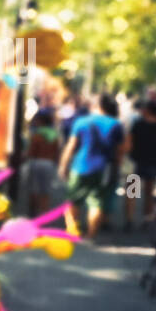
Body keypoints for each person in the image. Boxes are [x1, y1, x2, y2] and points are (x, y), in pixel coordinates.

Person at [59, 93, 125, 238]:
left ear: (96, 106)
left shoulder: (82, 122)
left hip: (80, 166)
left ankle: (73, 231)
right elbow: (120, 151)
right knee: (97, 202)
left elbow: (71, 146)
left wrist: (63, 166)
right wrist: (118, 168)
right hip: (105, 168)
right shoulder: (115, 124)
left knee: (73, 200)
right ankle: (91, 235)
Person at [128, 97, 156, 225]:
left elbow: (130, 141)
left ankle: (129, 219)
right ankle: (147, 219)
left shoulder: (138, 124)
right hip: (153, 161)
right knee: (149, 194)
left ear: (148, 110)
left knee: (132, 192)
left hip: (136, 161)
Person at [21, 109, 62, 218]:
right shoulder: (54, 135)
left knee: (33, 189)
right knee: (45, 191)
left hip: (36, 163)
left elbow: (31, 152)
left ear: (41, 121)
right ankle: (44, 216)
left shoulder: (37, 135)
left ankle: (32, 214)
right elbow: (57, 152)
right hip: (49, 164)